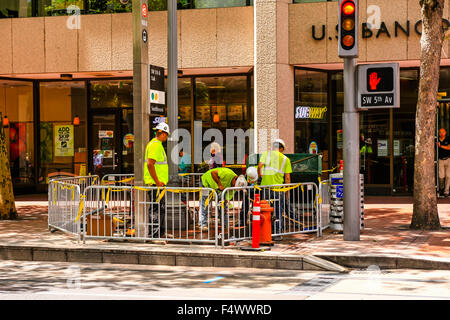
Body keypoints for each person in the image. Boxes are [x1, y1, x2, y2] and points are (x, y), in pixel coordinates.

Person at [258, 139, 292, 235]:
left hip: (266, 187)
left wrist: (260, 175)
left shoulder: (266, 154)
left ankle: (266, 230)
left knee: (266, 209)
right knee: (278, 210)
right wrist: (287, 191)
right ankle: (277, 232)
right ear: (281, 148)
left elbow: (259, 166)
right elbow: (287, 178)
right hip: (278, 188)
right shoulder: (285, 159)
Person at [199, 167, 247, 231]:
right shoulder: (227, 173)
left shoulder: (235, 187)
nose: (233, 187)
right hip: (206, 183)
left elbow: (226, 198)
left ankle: (225, 224)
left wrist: (226, 201)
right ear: (235, 179)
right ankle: (203, 224)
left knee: (223, 207)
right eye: (234, 185)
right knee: (204, 204)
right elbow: (213, 173)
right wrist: (220, 184)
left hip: (217, 189)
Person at [144, 122, 170, 238]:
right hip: (155, 184)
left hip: (158, 185)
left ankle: (160, 233)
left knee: (160, 208)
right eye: (167, 135)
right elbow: (150, 164)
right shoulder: (155, 145)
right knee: (156, 209)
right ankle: (154, 235)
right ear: (163, 134)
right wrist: (157, 181)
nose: (167, 137)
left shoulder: (155, 144)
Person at [438, 128, 450, 197]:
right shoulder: (437, 140)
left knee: (448, 176)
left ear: (445, 132)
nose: (442, 133)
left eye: (443, 132)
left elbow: (449, 147)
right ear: (439, 133)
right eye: (440, 132)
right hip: (440, 160)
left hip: (448, 159)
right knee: (441, 176)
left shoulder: (448, 139)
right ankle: (441, 188)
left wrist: (441, 146)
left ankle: (446, 192)